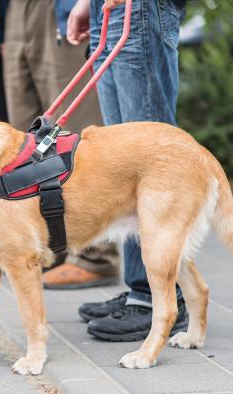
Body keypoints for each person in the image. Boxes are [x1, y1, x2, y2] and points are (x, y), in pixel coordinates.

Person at [67, 0, 189, 341]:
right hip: (108, 8)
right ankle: (140, 287)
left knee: (150, 155)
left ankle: (155, 297)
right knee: (121, 157)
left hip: (141, 7)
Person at [0, 0, 121, 290]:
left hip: (60, 8)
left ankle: (97, 258)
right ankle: (47, 248)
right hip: (14, 11)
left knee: (75, 136)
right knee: (26, 141)